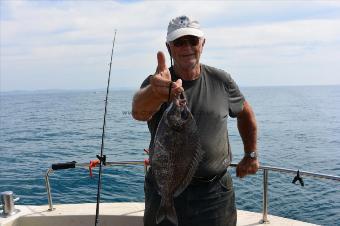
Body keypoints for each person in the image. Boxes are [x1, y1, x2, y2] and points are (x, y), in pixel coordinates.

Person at [132, 15, 258, 226]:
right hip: (163, 190)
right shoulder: (158, 83)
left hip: (214, 194)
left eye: (192, 41)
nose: (186, 47)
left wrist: (251, 154)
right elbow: (138, 111)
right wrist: (155, 93)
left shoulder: (221, 80)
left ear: (203, 44)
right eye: (179, 42)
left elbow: (246, 114)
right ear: (169, 47)